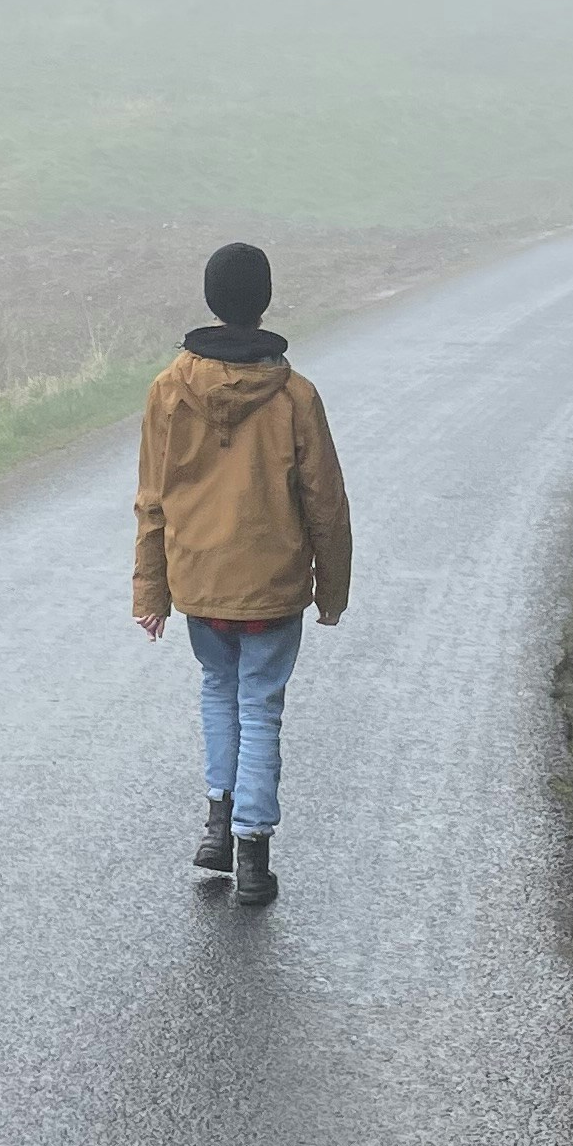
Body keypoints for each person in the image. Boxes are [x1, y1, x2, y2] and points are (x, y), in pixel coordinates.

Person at [132, 241, 352, 906]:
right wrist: (332, 592)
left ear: (210, 299)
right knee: (260, 705)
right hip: (274, 587)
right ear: (264, 302)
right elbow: (326, 505)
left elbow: (152, 498)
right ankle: (253, 854)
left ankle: (216, 822)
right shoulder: (295, 396)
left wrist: (152, 592)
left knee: (218, 691)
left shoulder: (168, 391)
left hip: (199, 582)